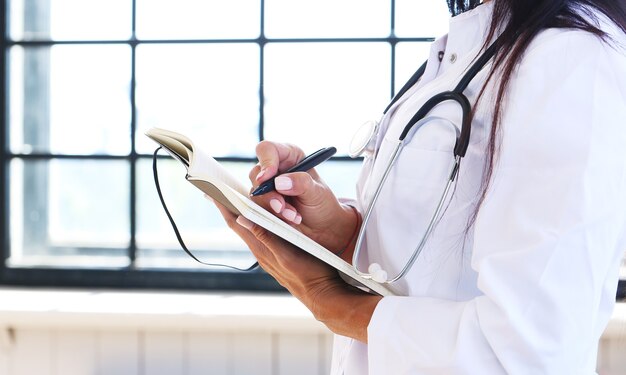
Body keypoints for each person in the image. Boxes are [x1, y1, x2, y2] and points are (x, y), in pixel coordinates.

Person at [211, 0, 626, 373]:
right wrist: (343, 232)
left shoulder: (574, 58)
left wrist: (333, 304)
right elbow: (434, 257)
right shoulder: (465, 48)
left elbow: (530, 351)